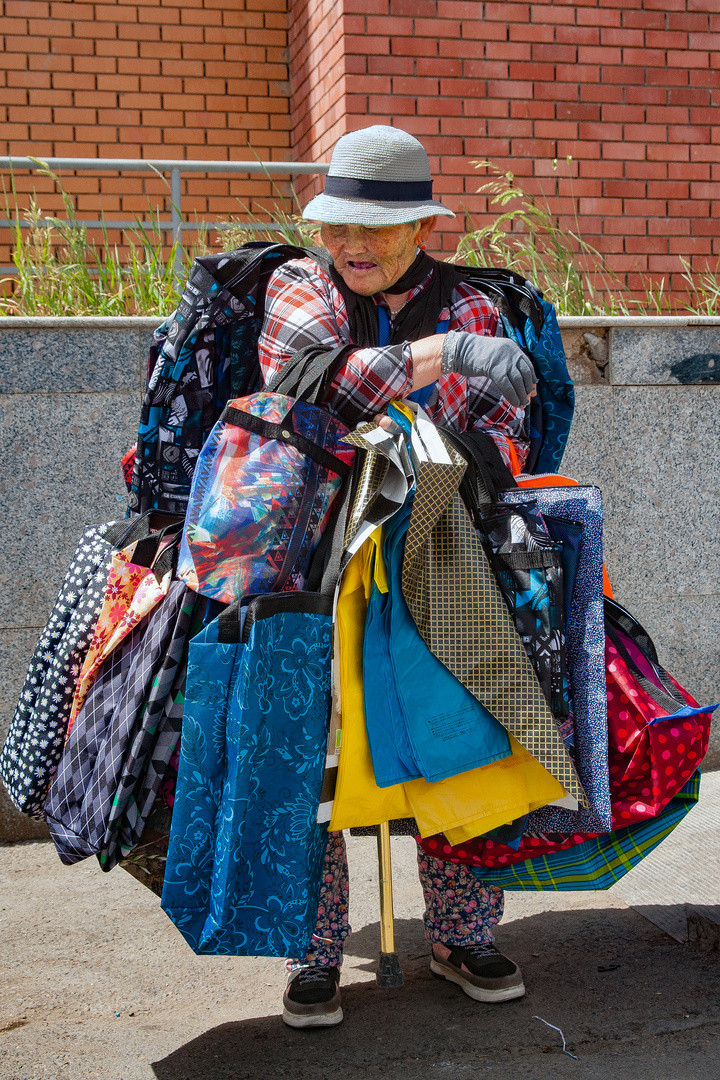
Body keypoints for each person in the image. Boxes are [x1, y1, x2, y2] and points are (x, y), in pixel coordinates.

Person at [258, 125, 537, 1029]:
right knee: (316, 760)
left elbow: (499, 433)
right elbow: (306, 388)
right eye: (339, 225)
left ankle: (460, 936)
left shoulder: (477, 302)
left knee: (457, 741)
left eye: (375, 229)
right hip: (306, 559)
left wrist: (390, 385)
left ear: (423, 227)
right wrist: (438, 358)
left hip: (440, 555)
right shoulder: (298, 284)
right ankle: (312, 954)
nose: (351, 245)